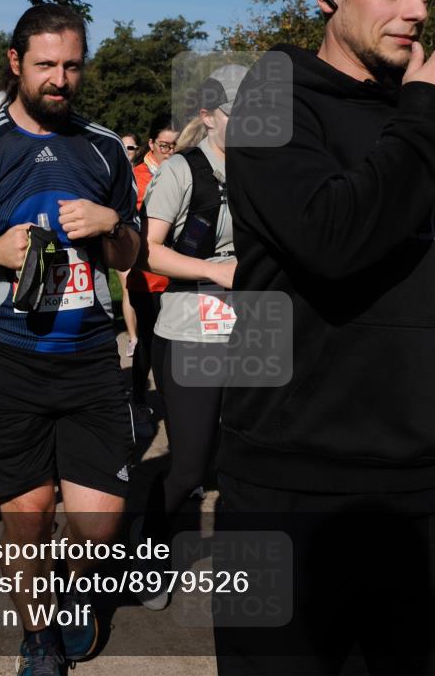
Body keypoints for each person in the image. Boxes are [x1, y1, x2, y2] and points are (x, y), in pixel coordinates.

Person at [216, 0, 435, 674]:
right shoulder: (274, 97)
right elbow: (333, 238)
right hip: (291, 490)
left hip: (426, 490)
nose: (418, 10)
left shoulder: (426, 114)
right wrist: (426, 117)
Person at [0, 3, 139, 676]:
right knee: (29, 514)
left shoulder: (104, 147)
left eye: (71, 65)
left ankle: (70, 586)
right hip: (3, 356)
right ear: (16, 63)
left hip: (90, 357)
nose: (59, 79)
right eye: (46, 64)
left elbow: (130, 254)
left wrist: (110, 223)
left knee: (99, 525)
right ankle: (38, 636)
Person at [136, 70, 245, 609]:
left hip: (253, 330)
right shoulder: (182, 170)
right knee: (189, 468)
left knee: (246, 457)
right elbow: (148, 251)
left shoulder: (263, 169)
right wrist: (214, 271)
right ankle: (149, 553)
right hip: (191, 332)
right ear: (207, 116)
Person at [126, 116, 178, 415]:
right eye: (164, 145)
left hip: (179, 273)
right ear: (151, 144)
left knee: (175, 342)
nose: (170, 151)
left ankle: (174, 402)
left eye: (175, 146)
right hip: (148, 276)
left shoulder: (185, 170)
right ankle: (140, 401)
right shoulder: (137, 177)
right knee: (148, 339)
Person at [117, 133, 141, 358]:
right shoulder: (115, 174)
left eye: (131, 147)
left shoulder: (144, 173)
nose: (127, 151)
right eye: (123, 147)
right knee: (127, 288)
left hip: (144, 237)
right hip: (122, 237)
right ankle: (133, 338)